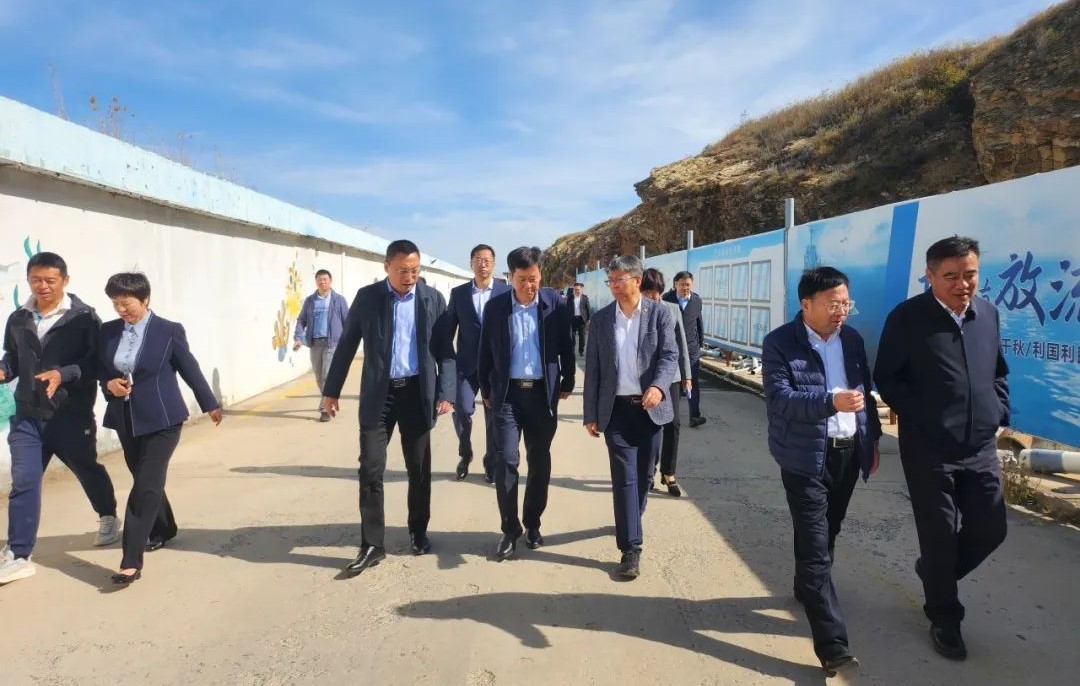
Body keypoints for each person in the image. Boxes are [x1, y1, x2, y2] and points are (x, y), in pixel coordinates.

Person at [874, 236, 1009, 662]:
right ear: (929, 276)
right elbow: (888, 378)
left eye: (970, 274)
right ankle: (945, 619)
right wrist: (924, 418)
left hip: (980, 446)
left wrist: (998, 409)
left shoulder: (987, 314)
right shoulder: (907, 318)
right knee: (939, 536)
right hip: (929, 449)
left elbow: (998, 371)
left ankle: (935, 574)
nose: (962, 284)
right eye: (951, 276)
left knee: (991, 529)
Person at [762, 266, 880, 677]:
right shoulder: (780, 343)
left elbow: (864, 395)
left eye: (845, 303)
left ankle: (806, 586)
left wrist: (871, 441)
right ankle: (833, 646)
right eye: (833, 304)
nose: (841, 311)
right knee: (815, 547)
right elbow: (780, 399)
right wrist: (831, 401)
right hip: (803, 458)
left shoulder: (852, 340)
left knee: (827, 531)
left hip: (846, 454)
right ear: (806, 304)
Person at [321, 240, 455, 577]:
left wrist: (446, 391)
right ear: (386, 267)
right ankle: (372, 544)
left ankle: (418, 531)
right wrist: (331, 391)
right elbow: (347, 344)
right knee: (370, 469)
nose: (409, 277)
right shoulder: (368, 298)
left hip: (417, 395)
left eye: (415, 270)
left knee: (419, 469)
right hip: (379, 397)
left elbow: (444, 351)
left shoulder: (432, 299)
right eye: (402, 271)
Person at [0, 252, 119, 586]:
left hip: (70, 414)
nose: (43, 286)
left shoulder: (84, 318)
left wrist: (62, 374)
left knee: (86, 468)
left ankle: (108, 515)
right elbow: (13, 358)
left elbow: (95, 364)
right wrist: (4, 370)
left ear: (65, 280)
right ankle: (19, 555)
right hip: (28, 415)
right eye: (36, 280)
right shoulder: (19, 317)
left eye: (50, 280)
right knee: (24, 481)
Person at [98, 272, 223, 584]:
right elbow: (101, 369)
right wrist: (109, 384)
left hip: (163, 419)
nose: (121, 310)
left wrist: (209, 402)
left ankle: (131, 560)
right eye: (115, 303)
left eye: (126, 303)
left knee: (145, 485)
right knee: (146, 479)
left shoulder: (168, 331)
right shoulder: (108, 332)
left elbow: (189, 368)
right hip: (126, 419)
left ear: (145, 299)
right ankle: (164, 528)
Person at [583, 256, 678, 578]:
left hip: (650, 409)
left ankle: (630, 520)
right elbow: (593, 369)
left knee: (644, 476)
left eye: (618, 279)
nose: (613, 285)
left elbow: (669, 356)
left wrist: (659, 387)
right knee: (624, 478)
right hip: (617, 411)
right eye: (610, 280)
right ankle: (630, 548)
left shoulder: (660, 314)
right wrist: (590, 413)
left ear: (637, 280)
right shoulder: (601, 320)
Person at [478, 246, 574, 560]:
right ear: (510, 276)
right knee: (506, 460)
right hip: (507, 395)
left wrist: (568, 379)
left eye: (533, 278)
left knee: (539, 461)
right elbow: (485, 351)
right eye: (522, 279)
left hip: (542, 396)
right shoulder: (496, 307)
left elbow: (566, 345)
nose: (528, 285)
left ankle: (533, 523)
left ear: (540, 275)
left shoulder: (553, 304)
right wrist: (486, 388)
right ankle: (510, 529)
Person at [436, 244, 510, 483]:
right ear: (471, 263)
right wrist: (444, 364)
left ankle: (491, 462)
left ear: (494, 264)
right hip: (466, 366)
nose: (483, 264)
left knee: (493, 417)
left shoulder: (505, 292)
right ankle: (465, 453)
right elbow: (448, 331)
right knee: (463, 410)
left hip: (495, 368)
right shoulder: (459, 294)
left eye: (487, 260)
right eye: (478, 259)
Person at [640, 268, 692, 497]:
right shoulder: (638, 312)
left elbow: (681, 344)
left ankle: (669, 472)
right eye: (649, 292)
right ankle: (648, 471)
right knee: (651, 425)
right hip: (647, 377)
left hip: (671, 376)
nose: (653, 296)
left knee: (673, 424)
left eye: (657, 292)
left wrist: (687, 375)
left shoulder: (672, 309)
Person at [293, 269, 350, 422]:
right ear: (316, 282)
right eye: (319, 279)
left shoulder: (339, 300)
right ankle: (329, 399)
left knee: (326, 375)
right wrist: (298, 337)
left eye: (325, 279)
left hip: (332, 343)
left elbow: (348, 322)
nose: (322, 282)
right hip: (315, 344)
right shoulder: (310, 301)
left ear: (330, 281)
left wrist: (348, 343)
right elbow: (301, 320)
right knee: (319, 376)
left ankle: (324, 408)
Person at [663, 271, 706, 427]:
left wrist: (700, 341)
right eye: (681, 284)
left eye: (688, 284)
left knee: (692, 381)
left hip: (691, 348)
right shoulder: (666, 300)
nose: (685, 287)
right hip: (672, 348)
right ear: (675, 284)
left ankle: (694, 416)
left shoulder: (696, 300)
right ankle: (668, 416)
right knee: (671, 381)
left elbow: (698, 322)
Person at [569, 282, 592, 357]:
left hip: (582, 319)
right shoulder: (570, 297)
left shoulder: (585, 298)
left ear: (581, 290)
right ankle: (572, 350)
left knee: (582, 337)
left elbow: (588, 309)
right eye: (575, 290)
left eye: (578, 289)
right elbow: (567, 308)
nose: (577, 291)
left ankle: (581, 350)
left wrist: (589, 319)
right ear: (574, 290)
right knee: (572, 336)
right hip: (572, 319)